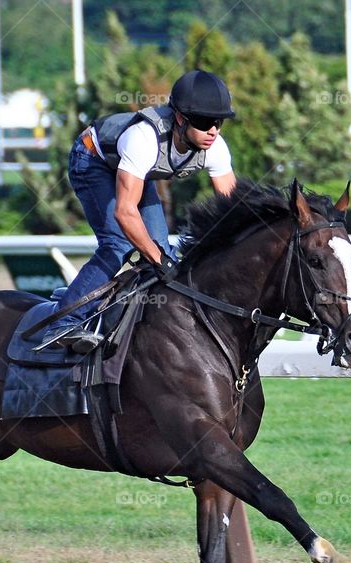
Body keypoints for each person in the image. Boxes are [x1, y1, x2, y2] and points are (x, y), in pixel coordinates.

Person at [40, 69, 238, 353]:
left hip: (133, 172)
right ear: (180, 119)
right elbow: (124, 213)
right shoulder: (144, 138)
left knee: (163, 254)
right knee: (119, 244)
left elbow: (233, 210)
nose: (213, 131)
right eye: (205, 122)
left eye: (219, 122)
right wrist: (158, 259)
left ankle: (146, 324)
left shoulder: (216, 148)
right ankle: (64, 321)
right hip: (92, 159)